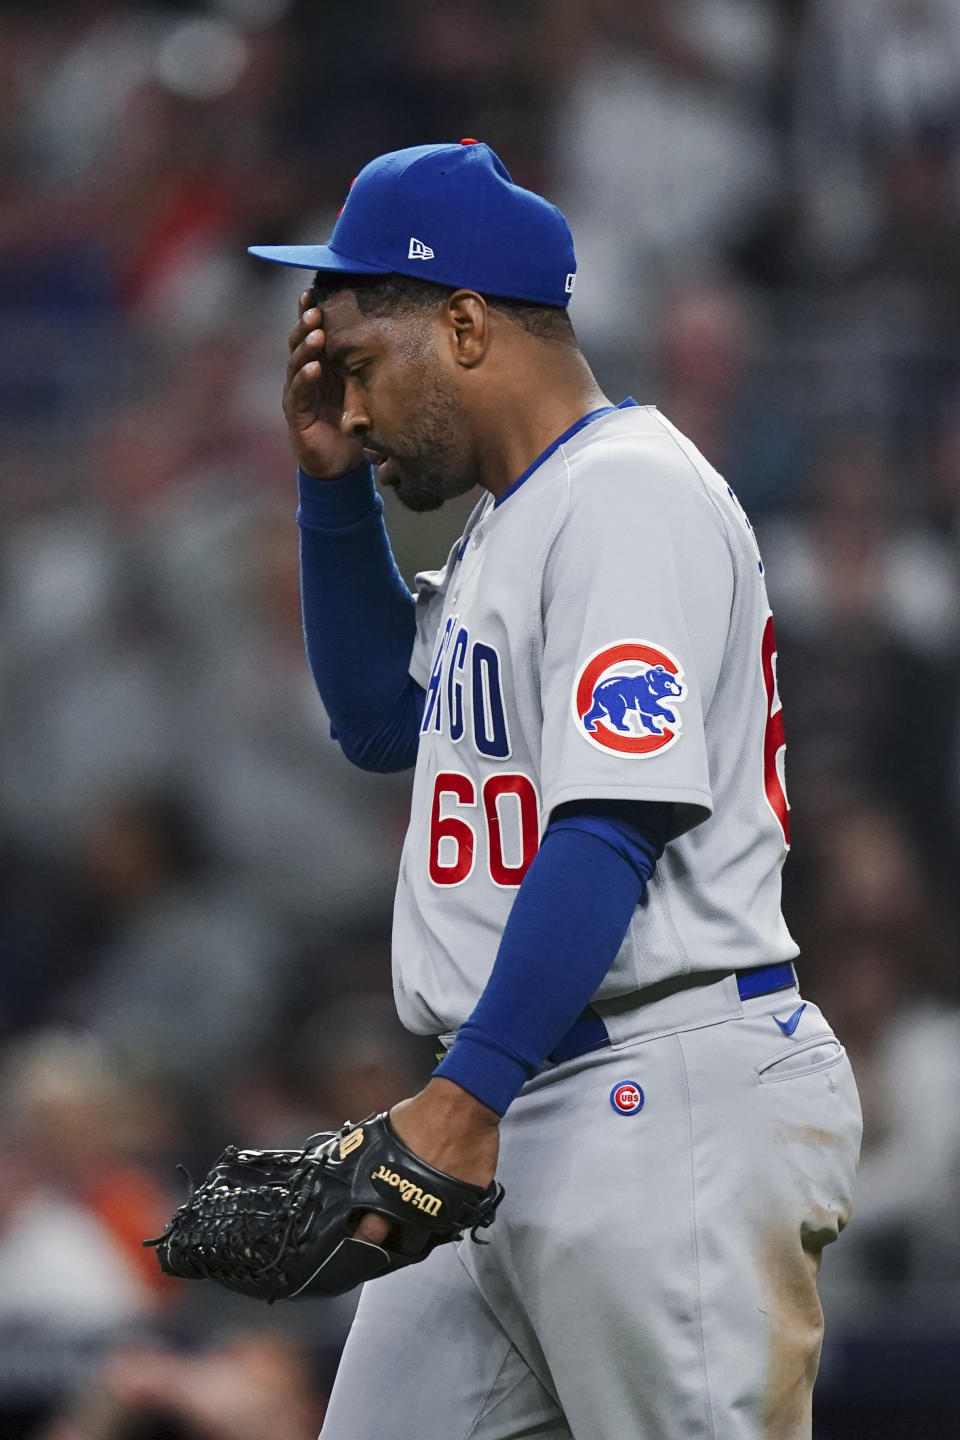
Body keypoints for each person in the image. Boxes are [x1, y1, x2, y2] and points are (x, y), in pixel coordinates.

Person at [248, 140, 862, 1440]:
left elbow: (611, 825)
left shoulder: (624, 493)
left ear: (464, 326)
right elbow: (377, 722)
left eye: (361, 364)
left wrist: (463, 1097)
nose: (346, 406)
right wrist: (330, 497)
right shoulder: (514, 519)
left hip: (658, 1094)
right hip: (517, 1093)